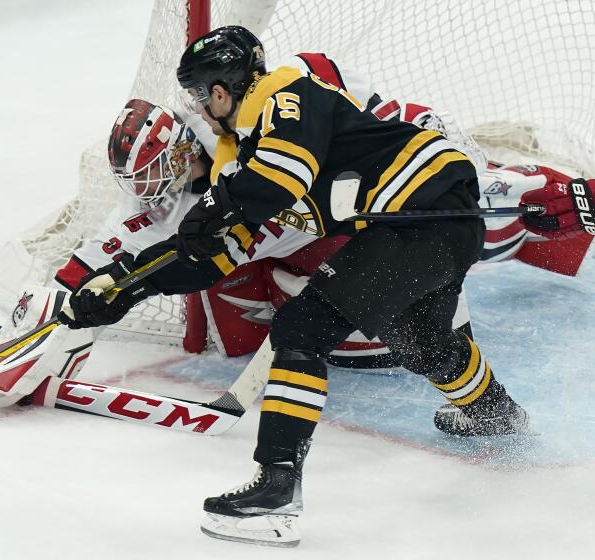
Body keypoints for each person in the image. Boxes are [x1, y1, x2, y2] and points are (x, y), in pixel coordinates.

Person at [58, 26, 595, 547]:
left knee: (303, 327)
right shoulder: (254, 156)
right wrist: (126, 285)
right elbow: (219, 250)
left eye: (200, 94)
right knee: (421, 340)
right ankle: (495, 415)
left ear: (222, 90)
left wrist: (211, 211)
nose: (198, 107)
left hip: (423, 212)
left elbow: (275, 181)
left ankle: (275, 495)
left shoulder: (285, 96)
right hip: (423, 226)